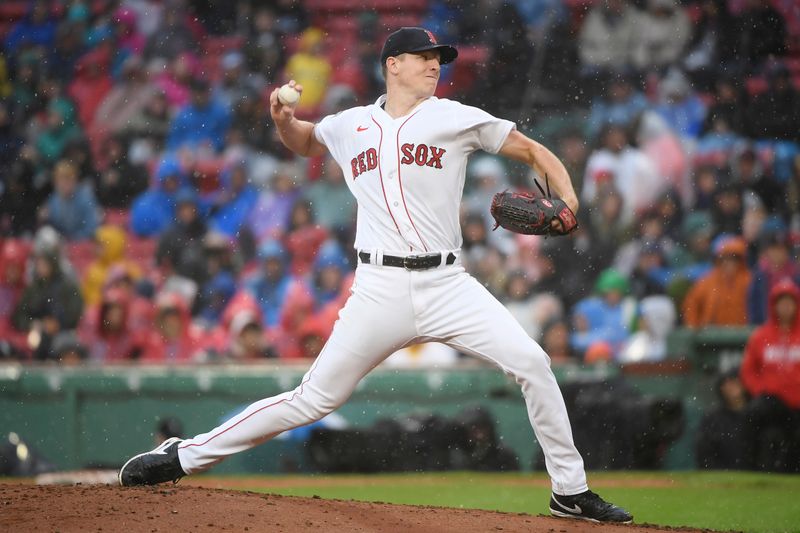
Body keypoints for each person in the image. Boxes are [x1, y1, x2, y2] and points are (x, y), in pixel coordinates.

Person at [119, 27, 632, 524]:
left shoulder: (454, 117)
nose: (435, 64)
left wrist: (568, 200)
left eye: (441, 58)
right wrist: (281, 116)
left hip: (447, 283)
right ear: (393, 64)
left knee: (533, 363)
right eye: (425, 56)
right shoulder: (350, 124)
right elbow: (303, 141)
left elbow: (532, 151)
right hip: (378, 288)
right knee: (313, 399)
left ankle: (569, 491)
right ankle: (184, 455)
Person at [740, 279, 800, 472]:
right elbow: (748, 370)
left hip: (797, 402)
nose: (785, 308)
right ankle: (748, 468)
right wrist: (761, 390)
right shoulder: (761, 335)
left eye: (790, 303)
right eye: (781, 303)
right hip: (772, 400)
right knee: (751, 415)